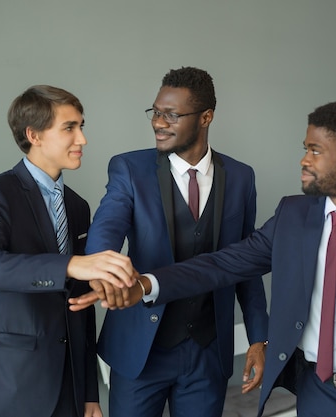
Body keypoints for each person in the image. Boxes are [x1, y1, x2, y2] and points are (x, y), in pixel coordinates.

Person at [72, 99, 336, 417]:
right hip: (316, 394)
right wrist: (145, 285)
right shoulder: (294, 215)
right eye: (304, 148)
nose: (303, 160)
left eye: (315, 150)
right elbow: (223, 264)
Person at [84, 67, 269, 417]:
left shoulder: (241, 177)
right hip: (141, 350)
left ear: (206, 117)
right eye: (155, 112)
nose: (158, 122)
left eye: (171, 114)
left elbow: (248, 262)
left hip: (207, 351)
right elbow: (106, 227)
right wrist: (100, 266)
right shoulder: (129, 169)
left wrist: (260, 337)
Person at [0, 85, 133, 417]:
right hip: (8, 384)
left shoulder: (78, 206)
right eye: (70, 128)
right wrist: (69, 265)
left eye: (82, 126)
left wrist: (90, 393)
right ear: (34, 135)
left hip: (69, 387)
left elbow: (81, 305)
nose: (82, 139)